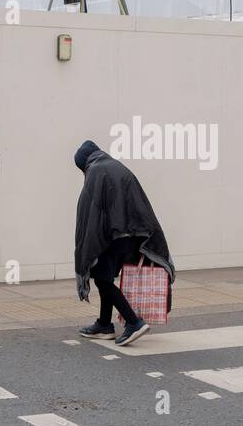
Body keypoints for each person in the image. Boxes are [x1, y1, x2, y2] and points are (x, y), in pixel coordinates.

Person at [74, 139, 175, 346]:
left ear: (84, 163)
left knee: (102, 280)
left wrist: (87, 247)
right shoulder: (117, 166)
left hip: (112, 237)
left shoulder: (95, 172)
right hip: (133, 237)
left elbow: (92, 215)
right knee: (106, 277)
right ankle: (104, 324)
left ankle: (133, 322)